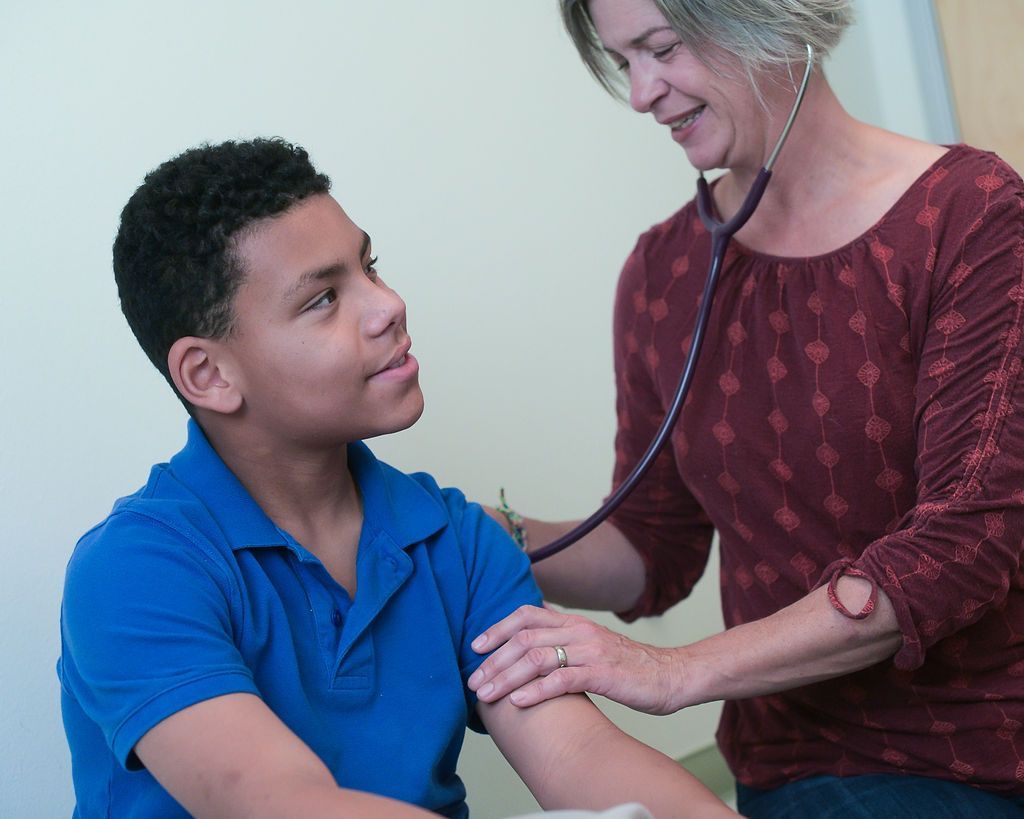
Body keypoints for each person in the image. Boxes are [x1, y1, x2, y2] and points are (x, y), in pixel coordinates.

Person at [57, 138, 735, 818]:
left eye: (369, 266)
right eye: (323, 298)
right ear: (210, 375)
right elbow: (282, 803)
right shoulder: (134, 570)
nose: (388, 304)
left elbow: (579, 755)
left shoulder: (458, 540)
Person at [468, 0, 1024, 816]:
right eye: (625, 62)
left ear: (767, 16)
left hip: (971, 755)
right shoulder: (664, 271)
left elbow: (964, 542)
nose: (641, 94)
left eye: (662, 49)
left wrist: (672, 671)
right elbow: (649, 550)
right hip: (788, 762)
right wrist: (480, 532)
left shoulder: (970, 216)